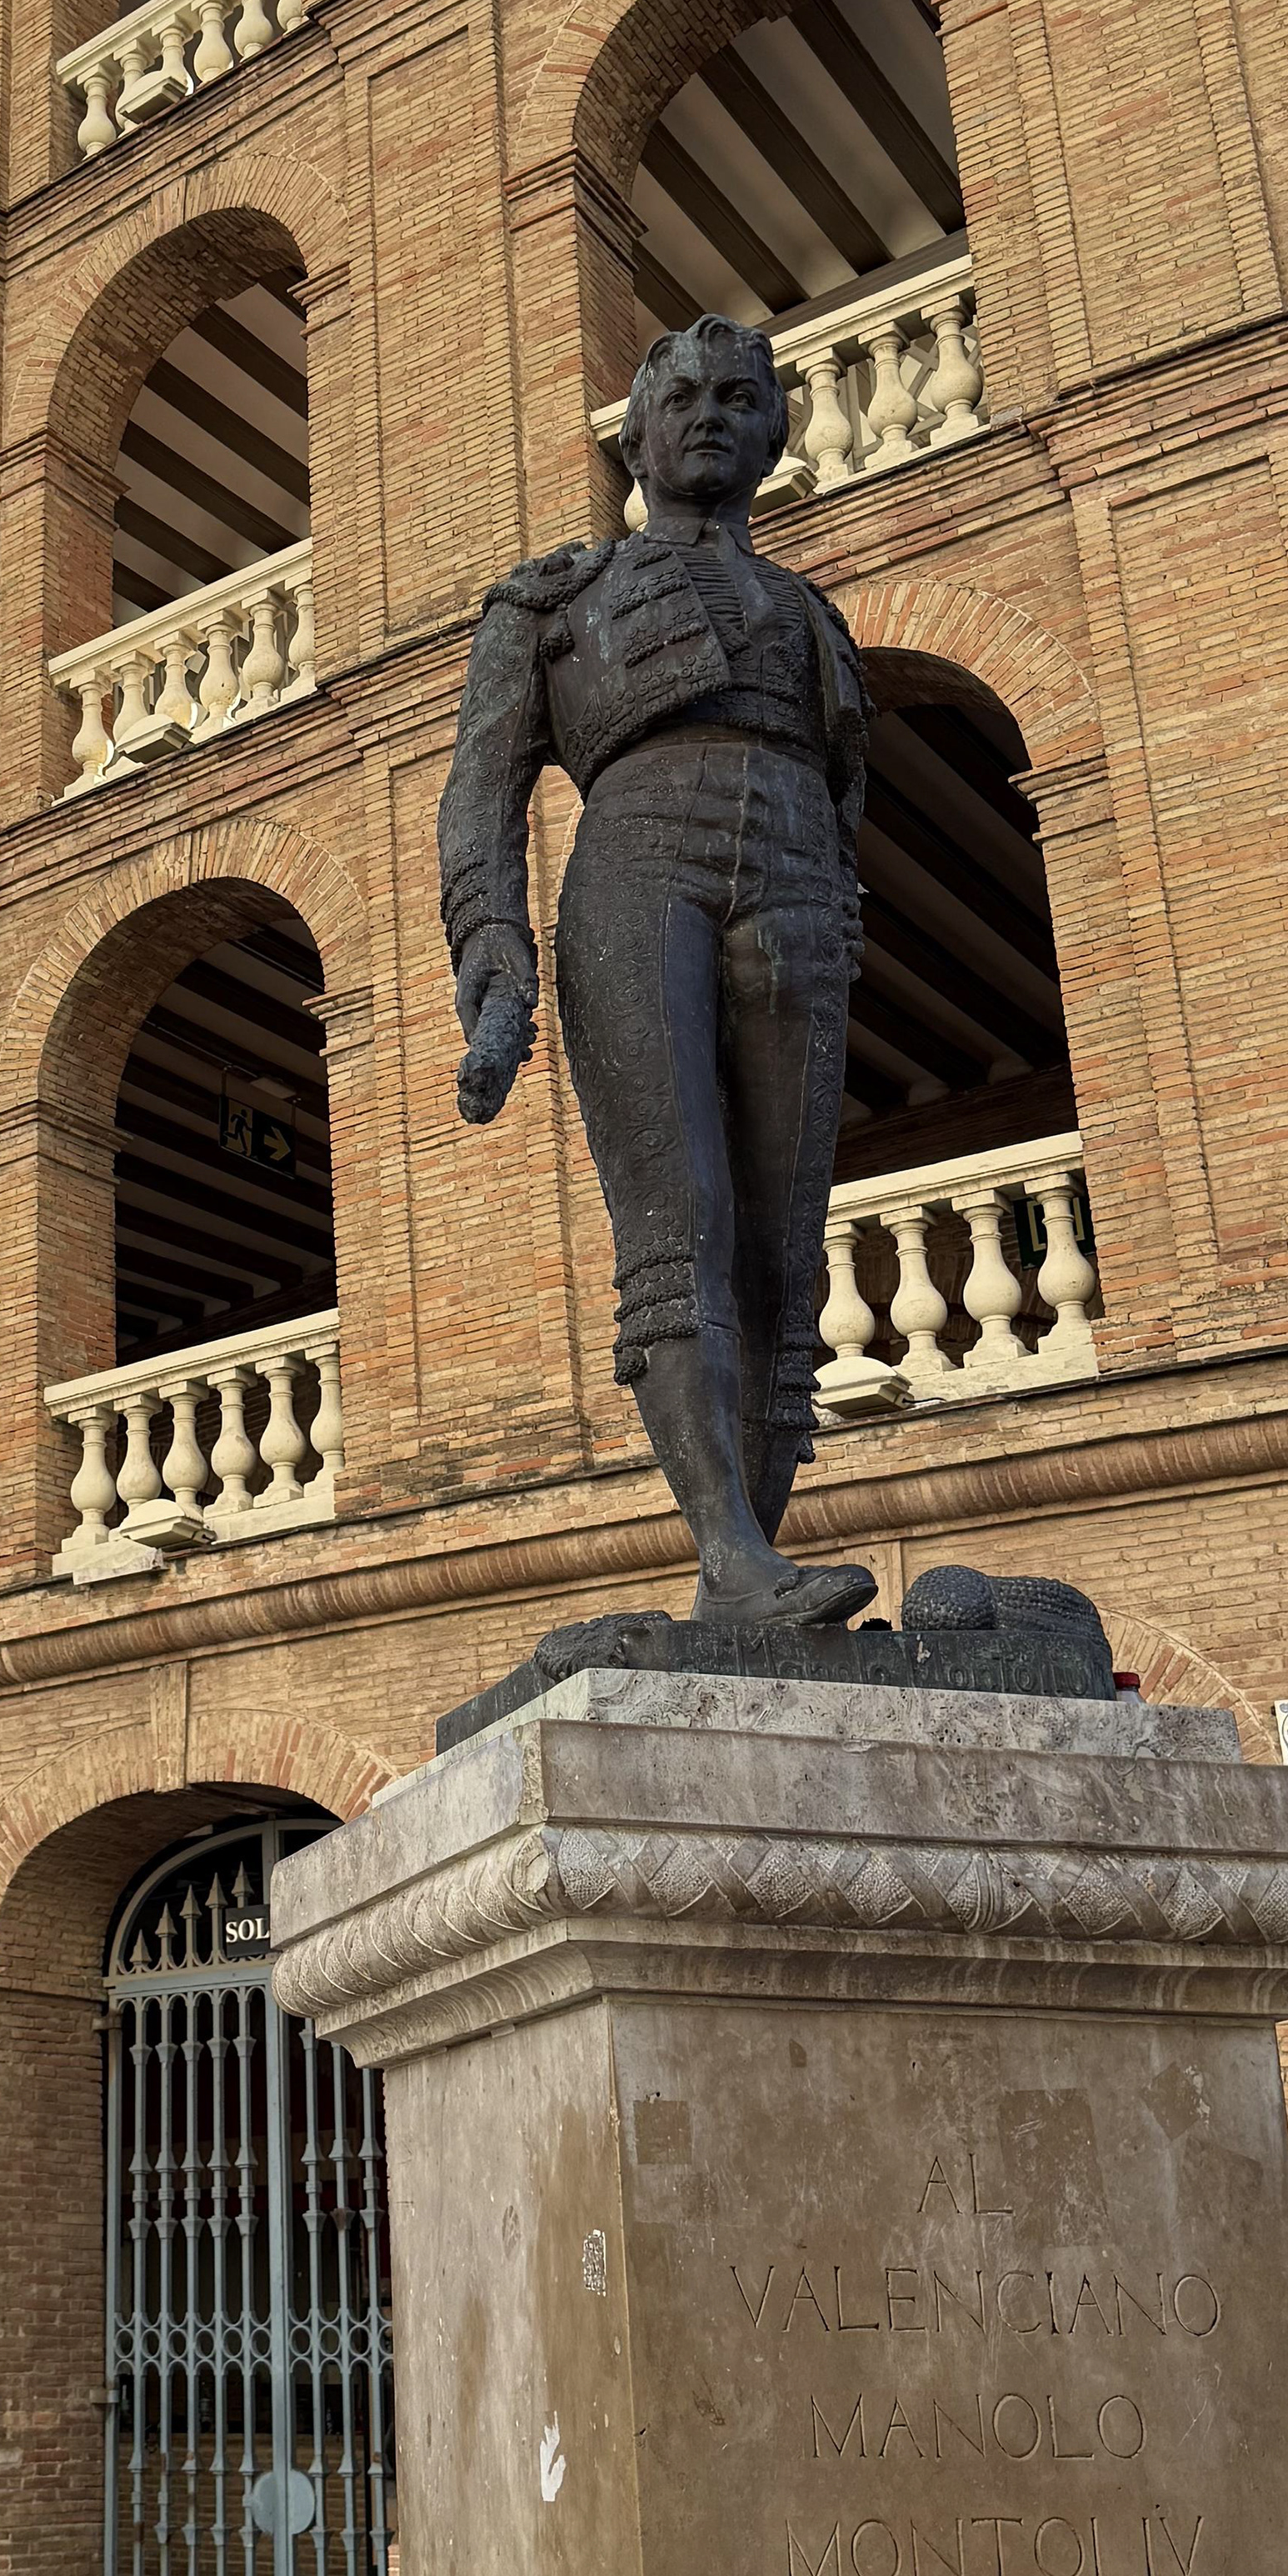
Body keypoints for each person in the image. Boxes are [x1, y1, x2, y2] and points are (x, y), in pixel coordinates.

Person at [440, 313, 876, 1628]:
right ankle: (732, 1554)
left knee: (784, 1244)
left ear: (774, 434)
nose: (711, 415)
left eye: (742, 398)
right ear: (632, 436)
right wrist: (494, 951)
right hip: (640, 866)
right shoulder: (550, 602)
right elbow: (482, 791)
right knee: (678, 1216)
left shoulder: (809, 612)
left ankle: (752, 1562)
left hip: (799, 874)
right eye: (681, 396)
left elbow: (848, 783)